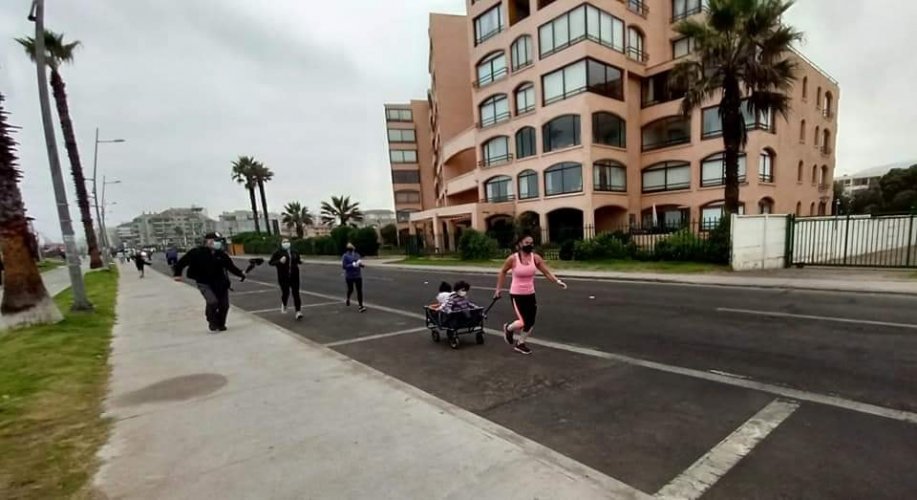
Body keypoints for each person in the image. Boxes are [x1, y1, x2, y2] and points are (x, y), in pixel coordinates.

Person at [494, 235, 567, 355]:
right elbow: (502, 272)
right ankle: (508, 328)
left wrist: (557, 281)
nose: (530, 245)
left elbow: (546, 272)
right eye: (527, 242)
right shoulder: (513, 259)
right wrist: (498, 289)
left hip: (530, 293)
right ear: (520, 244)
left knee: (531, 321)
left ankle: (520, 343)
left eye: (532, 243)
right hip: (516, 294)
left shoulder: (535, 258)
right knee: (523, 322)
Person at [173, 232, 246, 332]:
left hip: (221, 283)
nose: (217, 243)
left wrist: (241, 273)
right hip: (204, 283)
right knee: (212, 302)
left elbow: (231, 267)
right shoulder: (196, 252)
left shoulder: (221, 255)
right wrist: (177, 274)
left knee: (224, 306)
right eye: (215, 240)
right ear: (207, 241)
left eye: (219, 241)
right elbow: (181, 263)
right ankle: (212, 321)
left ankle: (221, 324)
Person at [269, 238, 303, 320]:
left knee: (296, 293)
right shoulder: (278, 252)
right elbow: (271, 262)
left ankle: (298, 311)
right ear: (281, 243)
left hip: (294, 276)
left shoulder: (294, 251)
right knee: (286, 292)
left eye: (287, 241)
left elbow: (298, 260)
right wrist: (279, 262)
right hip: (283, 276)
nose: (286, 243)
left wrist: (300, 262)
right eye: (284, 242)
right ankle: (284, 304)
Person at [341, 243, 366, 312]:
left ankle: (360, 306)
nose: (352, 248)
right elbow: (344, 266)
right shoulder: (345, 256)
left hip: (358, 275)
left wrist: (361, 265)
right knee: (350, 289)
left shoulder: (357, 254)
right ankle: (348, 298)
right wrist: (352, 265)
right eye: (350, 247)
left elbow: (359, 263)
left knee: (359, 291)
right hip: (349, 276)